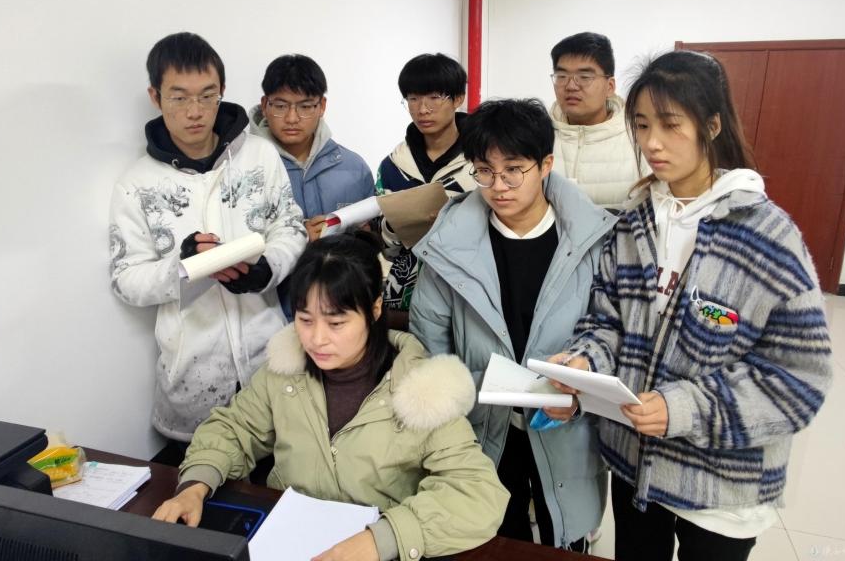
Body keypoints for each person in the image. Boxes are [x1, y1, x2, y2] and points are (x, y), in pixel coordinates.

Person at [551, 51, 833, 561]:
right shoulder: (634, 224)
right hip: (634, 467)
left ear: (712, 125)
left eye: (670, 124)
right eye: (641, 125)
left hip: (722, 488)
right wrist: (584, 362)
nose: (652, 142)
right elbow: (606, 321)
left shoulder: (767, 236)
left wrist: (684, 408)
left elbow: (799, 378)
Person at [152, 232, 508, 561]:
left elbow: (476, 493)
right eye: (305, 320)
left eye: (336, 323)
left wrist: (381, 540)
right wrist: (195, 485)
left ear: (375, 309)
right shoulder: (285, 370)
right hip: (286, 543)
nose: (316, 339)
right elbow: (234, 428)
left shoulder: (425, 389)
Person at [409, 98, 616, 553]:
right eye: (484, 171)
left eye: (514, 171)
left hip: (566, 424)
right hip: (482, 424)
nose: (498, 186)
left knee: (563, 533)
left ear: (546, 165)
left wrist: (580, 392)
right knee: (495, 537)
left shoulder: (594, 241)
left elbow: (609, 333)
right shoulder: (448, 247)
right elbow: (429, 348)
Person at [109, 32, 306, 463]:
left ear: (222, 92)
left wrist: (267, 268)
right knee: (201, 489)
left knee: (277, 485)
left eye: (207, 95)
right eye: (179, 98)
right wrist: (181, 267)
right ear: (155, 97)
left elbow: (291, 227)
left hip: (270, 364)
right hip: (191, 377)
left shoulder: (259, 156)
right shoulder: (137, 184)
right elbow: (126, 279)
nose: (195, 111)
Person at [377, 53, 475, 330]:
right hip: (402, 300)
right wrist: (395, 226)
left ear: (458, 98)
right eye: (413, 98)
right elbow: (386, 248)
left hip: (464, 295)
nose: (422, 109)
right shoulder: (393, 166)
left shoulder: (482, 163)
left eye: (434, 97)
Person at [250, 54, 376, 242]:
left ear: (322, 106)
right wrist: (298, 237)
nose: (292, 118)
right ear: (264, 105)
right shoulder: (244, 168)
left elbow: (373, 240)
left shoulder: (354, 168)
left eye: (305, 106)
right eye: (281, 106)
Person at [549, 32, 642, 209]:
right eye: (562, 76)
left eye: (584, 77)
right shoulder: (537, 134)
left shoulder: (638, 137)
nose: (571, 86)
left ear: (610, 87)